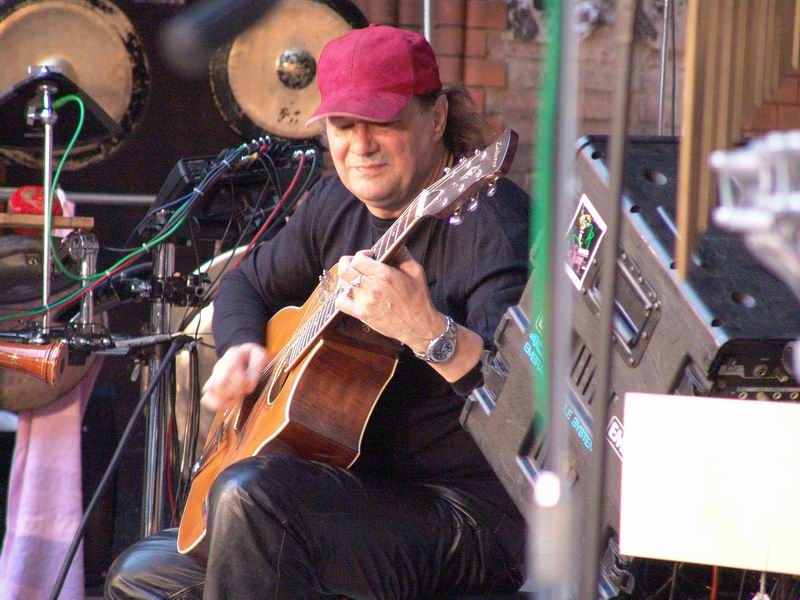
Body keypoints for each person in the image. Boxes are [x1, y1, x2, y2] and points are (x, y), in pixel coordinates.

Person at [106, 24, 530, 600]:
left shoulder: (495, 227)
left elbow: (523, 410)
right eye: (343, 126)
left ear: (435, 119)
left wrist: (429, 333)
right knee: (138, 577)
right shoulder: (334, 204)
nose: (361, 145)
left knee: (250, 497)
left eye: (381, 121)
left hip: (468, 514)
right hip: (346, 492)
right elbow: (244, 285)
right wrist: (243, 348)